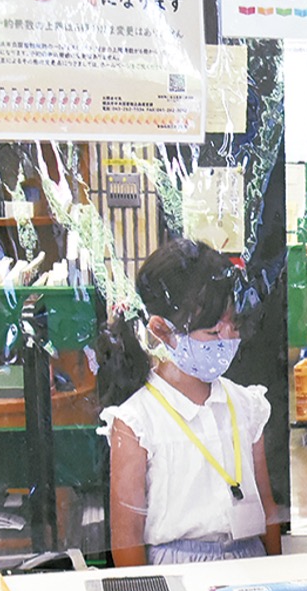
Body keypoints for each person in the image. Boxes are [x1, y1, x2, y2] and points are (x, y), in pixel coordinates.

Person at [98, 238, 281, 566]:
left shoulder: (248, 405)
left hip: (251, 564)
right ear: (163, 331)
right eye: (212, 333)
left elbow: (267, 510)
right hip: (176, 570)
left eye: (234, 326)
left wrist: (278, 571)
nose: (227, 339)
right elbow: (126, 537)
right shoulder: (136, 420)